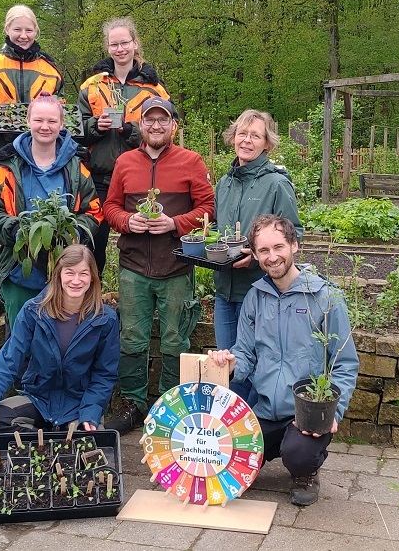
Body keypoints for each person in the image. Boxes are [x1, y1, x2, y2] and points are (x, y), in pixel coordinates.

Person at [208, 215, 358, 507]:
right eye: (263, 251)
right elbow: (246, 355)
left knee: (299, 453)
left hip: (306, 412)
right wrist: (229, 362)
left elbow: (345, 362)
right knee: (221, 451)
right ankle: (270, 448)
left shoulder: (325, 297)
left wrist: (334, 412)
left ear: (294, 245)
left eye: (279, 247)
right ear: (255, 254)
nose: (272, 257)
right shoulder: (255, 297)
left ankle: (306, 471)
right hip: (264, 409)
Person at [102, 97, 215, 433]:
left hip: (176, 267)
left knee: (174, 341)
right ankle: (134, 404)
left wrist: (175, 224)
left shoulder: (190, 162)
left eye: (162, 120)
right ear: (140, 125)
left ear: (172, 126)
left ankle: (169, 405)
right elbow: (108, 206)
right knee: (132, 339)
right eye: (149, 120)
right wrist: (126, 220)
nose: (155, 126)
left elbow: (208, 207)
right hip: (134, 266)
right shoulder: (125, 162)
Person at [0, 4, 64, 320]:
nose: (23, 35)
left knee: (43, 215)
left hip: (42, 154)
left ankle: (46, 281)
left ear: (36, 32)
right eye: (17, 29)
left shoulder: (50, 70)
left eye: (29, 29)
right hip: (4, 156)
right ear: (7, 30)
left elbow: (59, 110)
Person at [0, 93, 103, 328]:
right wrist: (18, 231)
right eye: (38, 120)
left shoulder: (77, 168)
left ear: (61, 124)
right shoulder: (7, 167)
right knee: (22, 338)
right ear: (28, 121)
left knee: (63, 336)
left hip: (66, 269)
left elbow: (94, 210)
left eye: (52, 121)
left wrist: (74, 233)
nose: (45, 127)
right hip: (20, 268)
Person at [0, 244, 119, 442]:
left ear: (92, 277)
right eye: (70, 273)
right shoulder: (33, 311)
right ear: (58, 274)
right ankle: (45, 448)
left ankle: (55, 441)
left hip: (79, 403)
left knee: (91, 440)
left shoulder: (105, 319)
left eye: (83, 273)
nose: (76, 280)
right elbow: (8, 361)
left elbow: (105, 373)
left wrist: (91, 410)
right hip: (38, 400)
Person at [214, 110, 303, 405]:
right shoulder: (225, 184)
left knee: (254, 370)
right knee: (225, 367)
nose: (247, 140)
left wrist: (257, 256)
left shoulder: (276, 184)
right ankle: (231, 437)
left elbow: (294, 234)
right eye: (242, 133)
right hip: (224, 292)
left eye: (256, 135)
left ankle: (254, 438)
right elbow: (219, 229)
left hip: (261, 292)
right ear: (233, 138)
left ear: (267, 144)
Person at [77, 17, 170, 277]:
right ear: (107, 47)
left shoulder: (154, 89)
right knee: (93, 241)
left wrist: (130, 131)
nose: (120, 49)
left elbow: (165, 131)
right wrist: (97, 125)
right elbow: (74, 131)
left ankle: (137, 296)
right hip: (99, 176)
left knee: (140, 239)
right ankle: (89, 299)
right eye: (114, 44)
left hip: (140, 175)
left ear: (135, 43)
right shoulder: (92, 85)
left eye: (124, 43)